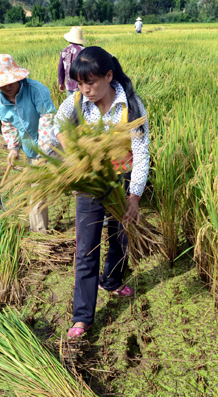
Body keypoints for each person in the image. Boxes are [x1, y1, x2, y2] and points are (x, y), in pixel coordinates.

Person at [52, 47, 150, 339]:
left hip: (122, 179)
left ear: (108, 76)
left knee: (120, 237)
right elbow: (58, 122)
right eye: (80, 84)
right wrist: (72, 152)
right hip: (89, 180)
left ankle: (112, 281)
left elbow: (142, 153)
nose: (85, 90)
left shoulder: (132, 106)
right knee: (86, 249)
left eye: (90, 83)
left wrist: (134, 197)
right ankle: (82, 316)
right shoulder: (78, 101)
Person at [0, 54, 57, 233]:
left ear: (18, 77)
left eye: (10, 81)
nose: (7, 86)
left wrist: (45, 152)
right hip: (31, 151)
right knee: (36, 191)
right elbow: (8, 125)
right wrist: (13, 148)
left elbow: (47, 121)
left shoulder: (37, 90)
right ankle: (38, 233)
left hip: (54, 145)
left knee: (72, 185)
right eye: (2, 82)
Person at [58, 26, 86, 98]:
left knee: (71, 106)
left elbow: (60, 68)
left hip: (69, 85)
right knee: (81, 107)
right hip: (82, 85)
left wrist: (61, 82)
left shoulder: (64, 51)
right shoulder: (84, 51)